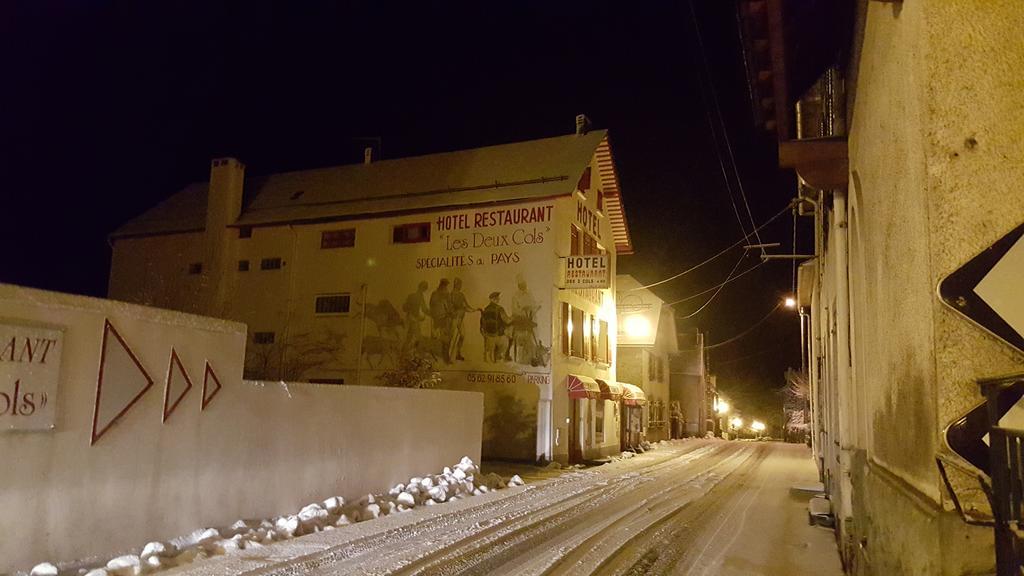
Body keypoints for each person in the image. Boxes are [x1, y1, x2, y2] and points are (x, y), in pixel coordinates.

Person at [509, 275, 541, 363]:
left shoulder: (530, 294)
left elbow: (534, 304)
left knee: (533, 339)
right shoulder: (515, 296)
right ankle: (521, 360)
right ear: (519, 285)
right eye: (521, 284)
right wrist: (523, 310)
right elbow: (514, 310)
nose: (523, 286)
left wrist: (534, 307)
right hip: (522, 321)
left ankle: (533, 358)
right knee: (521, 341)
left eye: (524, 284)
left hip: (531, 319)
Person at [448, 278, 479, 362]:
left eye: (460, 284)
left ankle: (458, 354)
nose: (460, 286)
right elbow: (449, 308)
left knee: (462, 335)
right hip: (454, 319)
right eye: (459, 284)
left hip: (460, 319)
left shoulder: (461, 295)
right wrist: (455, 313)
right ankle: (449, 356)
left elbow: (466, 306)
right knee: (451, 337)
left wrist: (474, 309)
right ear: (456, 285)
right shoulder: (450, 295)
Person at [480, 291, 511, 363]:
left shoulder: (486, 309)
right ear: (493, 299)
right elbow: (507, 320)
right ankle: (498, 355)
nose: (498, 299)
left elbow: (482, 323)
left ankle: (491, 355)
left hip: (488, 335)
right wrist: (513, 318)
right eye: (497, 298)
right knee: (507, 341)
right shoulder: (500, 309)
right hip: (498, 335)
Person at [402, 281, 429, 352]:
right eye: (424, 288)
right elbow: (424, 308)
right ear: (422, 288)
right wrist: (431, 313)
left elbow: (405, 307)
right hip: (413, 318)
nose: (424, 290)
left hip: (410, 318)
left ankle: (403, 352)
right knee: (418, 336)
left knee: (409, 336)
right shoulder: (419, 296)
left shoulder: (412, 295)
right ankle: (420, 353)